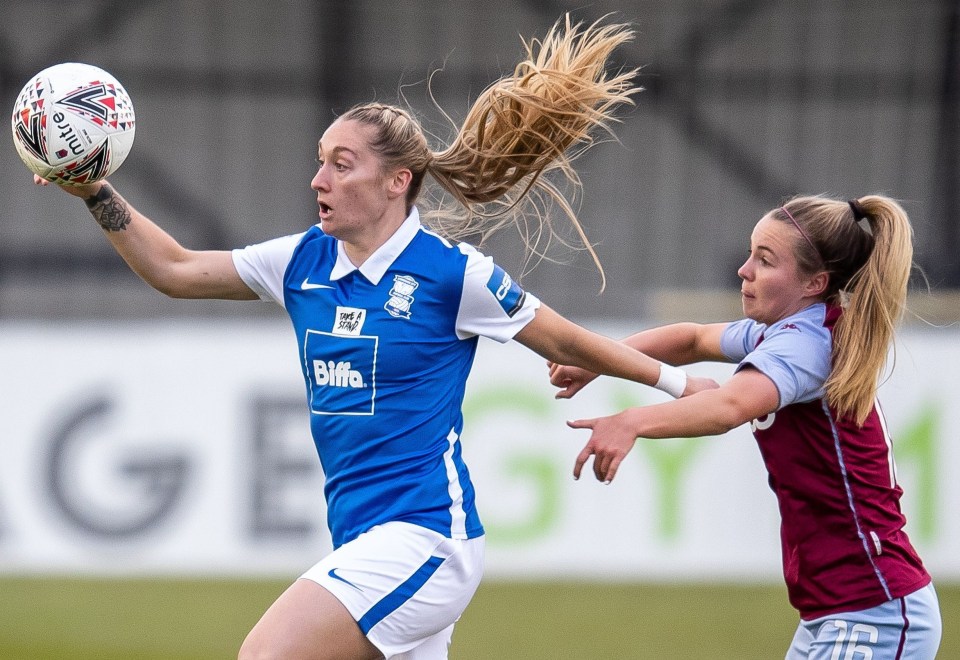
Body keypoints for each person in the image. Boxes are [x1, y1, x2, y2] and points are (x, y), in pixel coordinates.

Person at [34, 16, 715, 660]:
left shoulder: (453, 275)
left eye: (340, 164)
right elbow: (176, 270)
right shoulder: (302, 261)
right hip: (360, 538)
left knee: (265, 654)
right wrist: (95, 190)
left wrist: (682, 385)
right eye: (320, 161)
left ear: (397, 182)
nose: (318, 179)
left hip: (424, 539)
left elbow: (565, 341)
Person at [550, 194, 942, 658]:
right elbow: (691, 338)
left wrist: (631, 421)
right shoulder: (784, 329)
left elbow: (730, 406)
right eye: (750, 252)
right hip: (835, 611)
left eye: (765, 260)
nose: (744, 270)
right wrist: (602, 360)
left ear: (815, 282)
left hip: (873, 610)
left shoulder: (806, 344)